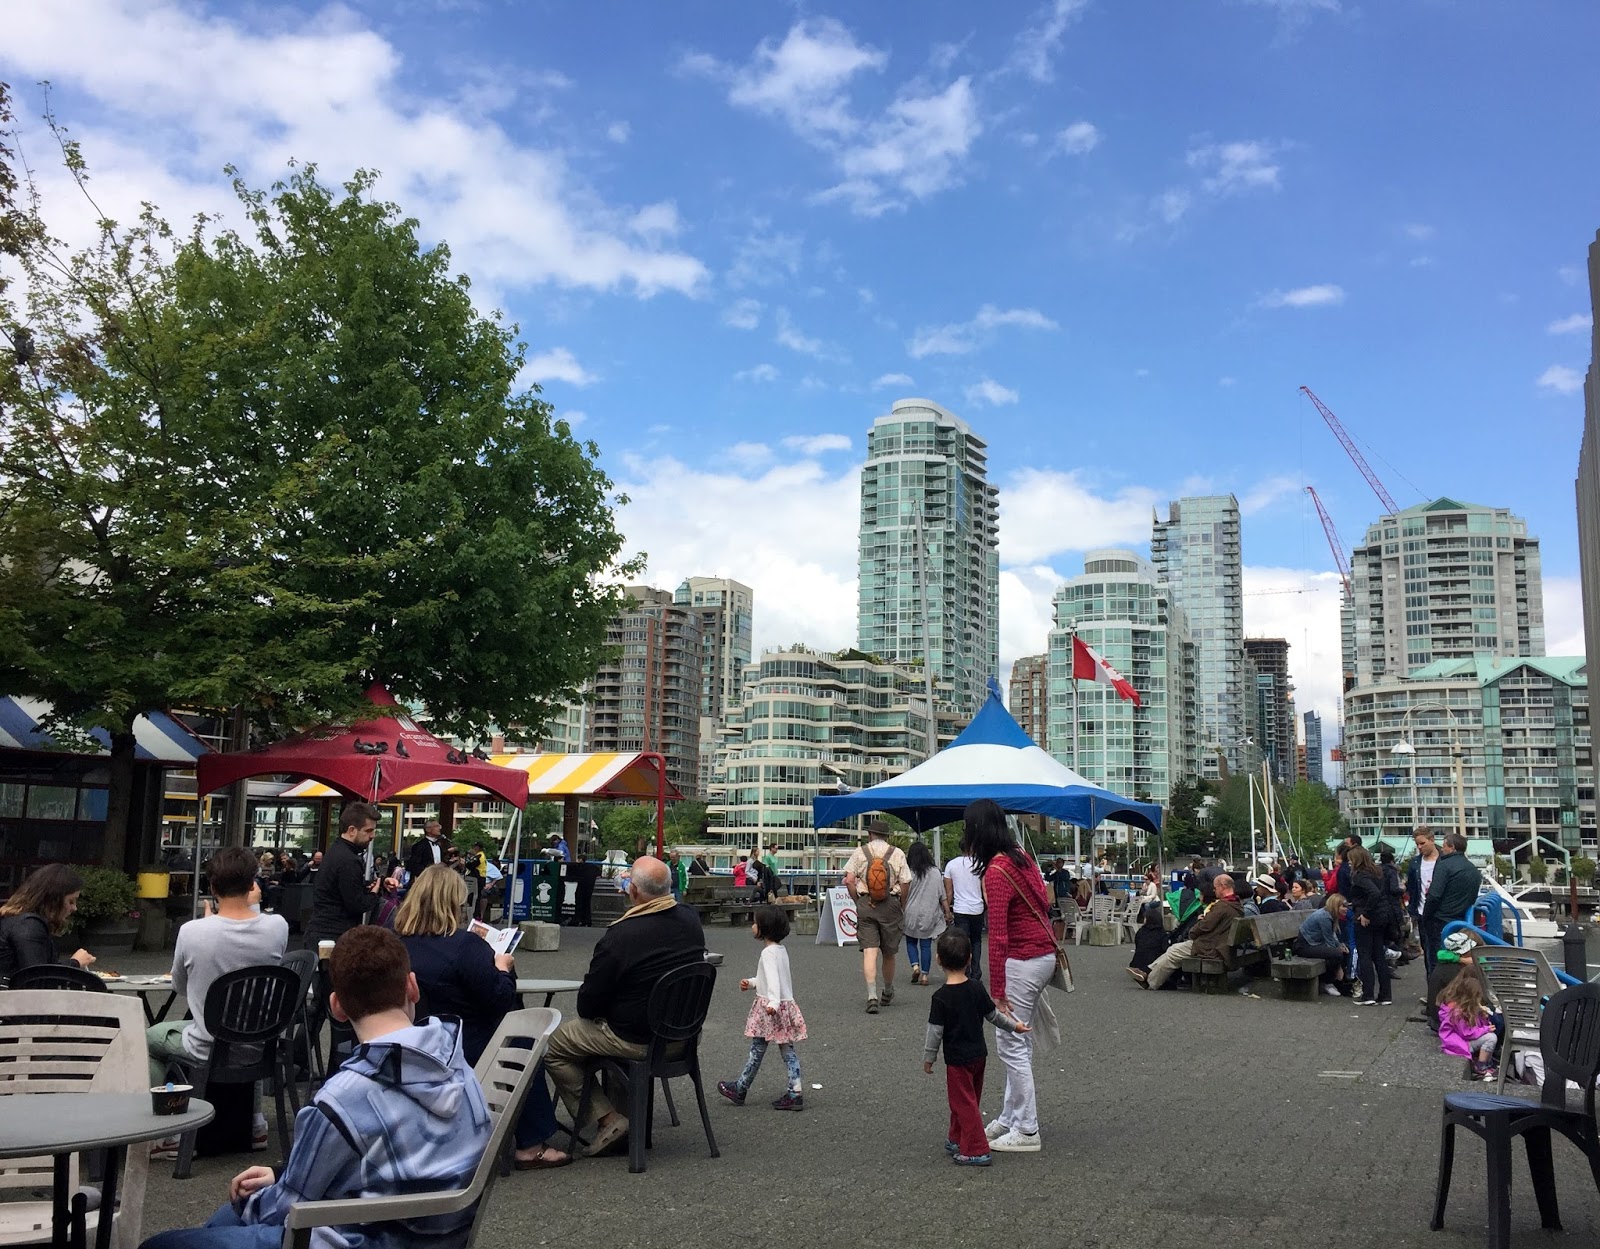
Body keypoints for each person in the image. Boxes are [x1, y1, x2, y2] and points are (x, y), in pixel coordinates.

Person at [141, 926, 490, 1249]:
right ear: (412, 986)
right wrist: (280, 1174)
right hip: (440, 1232)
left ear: (337, 1007)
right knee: (223, 1220)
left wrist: (263, 1193)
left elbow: (288, 1207)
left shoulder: (341, 1098)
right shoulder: (456, 1059)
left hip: (359, 1236)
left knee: (165, 1242)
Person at [395, 865, 569, 1169]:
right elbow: (499, 999)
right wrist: (503, 966)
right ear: (453, 904)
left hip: (409, 1040)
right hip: (464, 1043)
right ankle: (531, 1144)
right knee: (524, 1046)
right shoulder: (464, 945)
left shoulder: (394, 943)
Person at [543, 856, 705, 1157]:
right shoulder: (690, 920)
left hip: (635, 1039)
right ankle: (615, 1115)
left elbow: (587, 1005)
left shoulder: (621, 936)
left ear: (633, 892)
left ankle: (608, 1118)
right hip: (680, 1037)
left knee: (554, 1047)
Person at [146, 847, 289, 1157]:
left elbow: (179, 987)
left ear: (211, 888)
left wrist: (208, 924)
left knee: (148, 1039)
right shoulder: (278, 927)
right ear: (254, 884)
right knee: (245, 1027)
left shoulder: (192, 932)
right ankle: (256, 1124)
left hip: (206, 1044)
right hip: (260, 1042)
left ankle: (165, 1132)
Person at [965, 798, 1056, 1154]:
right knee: (1019, 1043)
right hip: (1044, 955)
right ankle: (1010, 1117)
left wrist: (997, 991)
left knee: (1011, 1045)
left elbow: (999, 935)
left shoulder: (996, 871)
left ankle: (1028, 1130)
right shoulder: (1022, 857)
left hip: (1022, 958)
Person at [921, 928, 1029, 1168]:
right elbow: (994, 1016)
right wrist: (1015, 1026)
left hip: (957, 1060)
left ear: (938, 959)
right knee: (969, 1100)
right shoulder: (977, 988)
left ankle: (976, 1148)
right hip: (979, 1055)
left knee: (962, 1103)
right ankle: (956, 1137)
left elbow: (934, 1032)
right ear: (970, 958)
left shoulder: (940, 997)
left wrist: (929, 1058)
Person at [717, 905, 807, 1111]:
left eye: (755, 922)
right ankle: (795, 1090)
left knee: (757, 1049)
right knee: (787, 1049)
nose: (752, 925)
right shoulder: (780, 950)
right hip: (783, 1005)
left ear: (763, 928)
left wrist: (772, 1003)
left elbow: (773, 981)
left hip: (770, 1008)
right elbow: (772, 979)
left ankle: (740, 1088)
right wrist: (751, 982)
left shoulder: (768, 953)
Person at [304, 802, 396, 949]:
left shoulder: (337, 851)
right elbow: (357, 904)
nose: (373, 836)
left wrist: (379, 882)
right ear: (352, 830)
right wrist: (374, 893)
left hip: (322, 932)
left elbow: (345, 888)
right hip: (334, 935)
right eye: (368, 830)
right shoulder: (348, 860)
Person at [844, 820, 913, 1013]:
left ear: (870, 835)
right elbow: (906, 882)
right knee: (889, 952)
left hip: (866, 903)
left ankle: (871, 995)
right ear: (887, 836)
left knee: (869, 951)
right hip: (891, 903)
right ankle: (888, 990)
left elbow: (849, 880)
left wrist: (857, 900)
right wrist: (902, 903)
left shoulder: (860, 852)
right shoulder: (897, 853)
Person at [1130, 874, 1244, 991]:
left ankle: (1150, 981)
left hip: (1211, 948)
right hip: (1222, 946)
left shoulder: (1222, 906)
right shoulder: (1236, 904)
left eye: (1215, 888)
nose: (1214, 891)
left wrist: (1195, 929)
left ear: (1223, 886)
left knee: (1174, 952)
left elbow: (1202, 927)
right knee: (1173, 950)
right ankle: (1147, 972)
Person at [0, 863, 95, 975]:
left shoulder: (16, 920)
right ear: (53, 900)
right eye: (70, 901)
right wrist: (75, 963)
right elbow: (37, 977)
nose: (74, 908)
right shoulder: (29, 926)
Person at [1345, 846, 1397, 1006]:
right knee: (1379, 956)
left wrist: (1365, 912)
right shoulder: (1378, 872)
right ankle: (1385, 995)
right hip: (1382, 916)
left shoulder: (1360, 876)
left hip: (1366, 918)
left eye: (1350, 859)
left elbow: (1373, 893)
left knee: (1365, 955)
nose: (1349, 863)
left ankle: (1368, 994)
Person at [1422, 832, 1482, 960]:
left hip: (1441, 921)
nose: (1442, 850)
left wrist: (1426, 917)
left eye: (1444, 846)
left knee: (1436, 958)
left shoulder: (1444, 865)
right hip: (1462, 920)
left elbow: (1434, 896)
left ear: (1452, 847)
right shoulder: (1473, 869)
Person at [1437, 968, 1500, 1080]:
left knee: (1490, 1035)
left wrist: (1484, 1018)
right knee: (1491, 1038)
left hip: (1463, 1040)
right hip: (1459, 1043)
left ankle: (1487, 1063)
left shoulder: (1465, 1008)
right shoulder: (1457, 1013)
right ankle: (1481, 1066)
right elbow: (1466, 1033)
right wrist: (1485, 1029)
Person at [901, 840, 948, 986]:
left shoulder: (909, 872)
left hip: (911, 912)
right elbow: (942, 895)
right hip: (929, 912)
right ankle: (925, 976)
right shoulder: (935, 872)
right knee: (926, 945)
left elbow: (903, 892)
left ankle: (915, 966)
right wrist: (947, 911)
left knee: (910, 942)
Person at [943, 836, 987, 984]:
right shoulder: (980, 864)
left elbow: (949, 892)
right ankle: (976, 970)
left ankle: (965, 970)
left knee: (963, 941)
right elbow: (984, 889)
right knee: (976, 940)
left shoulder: (951, 865)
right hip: (977, 908)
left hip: (961, 908)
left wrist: (946, 910)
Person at [1295, 894, 1352, 996]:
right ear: (1335, 906)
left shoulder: (1330, 915)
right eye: (1343, 906)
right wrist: (1339, 967)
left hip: (1316, 943)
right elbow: (1329, 941)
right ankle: (1328, 982)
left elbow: (1333, 936)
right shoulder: (1324, 917)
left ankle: (1340, 980)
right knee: (1336, 954)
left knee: (1345, 948)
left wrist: (1340, 945)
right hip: (1305, 946)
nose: (1346, 909)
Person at [1406, 827, 1442, 971]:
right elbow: (1412, 887)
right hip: (1422, 913)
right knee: (1428, 954)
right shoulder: (1415, 863)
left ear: (1431, 840)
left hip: (1441, 913)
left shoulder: (1444, 860)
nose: (1420, 847)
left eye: (1422, 843)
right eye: (1417, 845)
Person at [404, 819, 449, 884]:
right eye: (436, 826)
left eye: (439, 826)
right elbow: (415, 865)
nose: (439, 828)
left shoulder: (438, 845)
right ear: (428, 829)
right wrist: (431, 871)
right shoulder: (419, 846)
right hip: (423, 881)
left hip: (438, 880)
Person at [1128, 903, 1168, 975]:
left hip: (1137, 963)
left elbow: (1137, 945)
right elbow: (1164, 949)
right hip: (1153, 964)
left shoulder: (1141, 931)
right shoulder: (1162, 934)